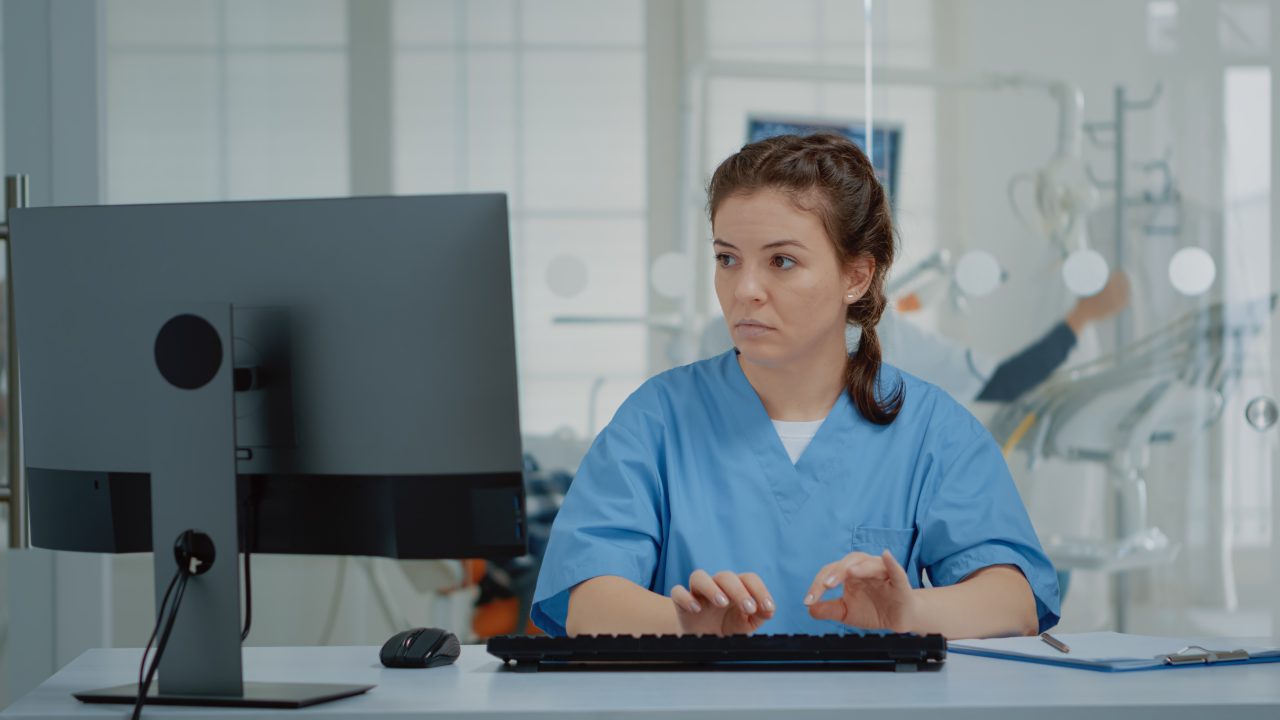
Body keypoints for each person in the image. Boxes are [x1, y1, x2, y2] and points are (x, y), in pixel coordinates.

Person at [530, 133, 1060, 639]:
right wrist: (687, 625)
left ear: (856, 277)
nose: (746, 290)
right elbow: (584, 598)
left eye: (781, 261)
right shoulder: (658, 419)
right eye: (727, 259)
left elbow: (1013, 599)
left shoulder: (930, 429)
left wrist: (912, 610)